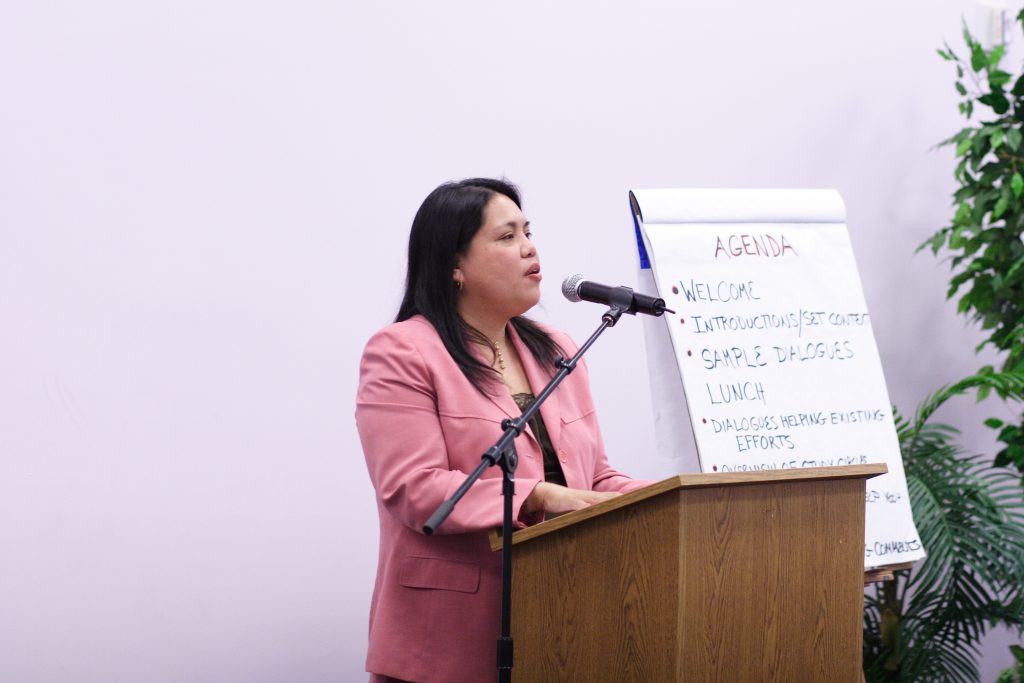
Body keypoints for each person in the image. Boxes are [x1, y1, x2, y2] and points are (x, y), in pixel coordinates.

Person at [355, 178, 648, 683]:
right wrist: (538, 496)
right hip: (448, 635)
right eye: (507, 237)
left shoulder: (555, 348)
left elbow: (593, 478)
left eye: (528, 232)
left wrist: (674, 496)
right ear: (455, 266)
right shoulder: (402, 352)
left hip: (560, 619)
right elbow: (413, 487)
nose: (530, 248)